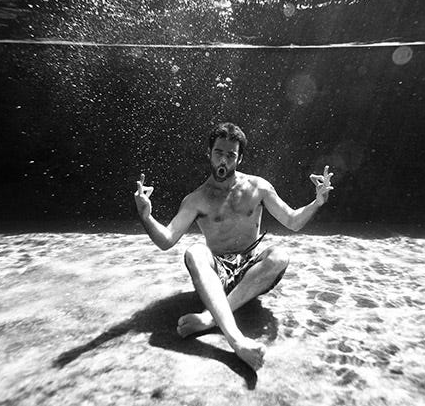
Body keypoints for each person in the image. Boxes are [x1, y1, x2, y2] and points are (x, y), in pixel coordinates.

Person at [134, 122, 333, 371]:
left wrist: (317, 202)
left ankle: (210, 318)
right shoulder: (196, 199)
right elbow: (166, 240)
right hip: (217, 275)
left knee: (279, 255)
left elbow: (292, 221)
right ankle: (236, 340)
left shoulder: (259, 187)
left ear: (240, 159)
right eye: (219, 152)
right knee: (194, 251)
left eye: (231, 155)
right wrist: (146, 216)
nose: (224, 160)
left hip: (251, 271)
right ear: (209, 153)